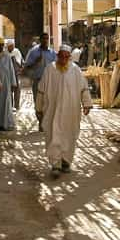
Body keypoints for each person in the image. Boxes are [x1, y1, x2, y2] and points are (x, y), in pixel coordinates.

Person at [35, 45, 92, 178]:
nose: (64, 59)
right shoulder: (50, 69)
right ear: (58, 56)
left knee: (69, 135)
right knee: (53, 134)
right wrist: (38, 108)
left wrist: (87, 103)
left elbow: (84, 88)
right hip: (52, 110)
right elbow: (41, 90)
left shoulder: (75, 70)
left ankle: (66, 161)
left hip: (71, 111)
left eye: (67, 57)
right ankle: (55, 164)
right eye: (62, 56)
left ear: (70, 57)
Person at [24, 33, 56, 131]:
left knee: (49, 102)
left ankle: (47, 122)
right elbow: (27, 67)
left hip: (50, 82)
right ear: (40, 40)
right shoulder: (33, 52)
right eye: (44, 38)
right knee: (38, 103)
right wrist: (35, 62)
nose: (46, 40)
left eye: (47, 38)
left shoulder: (52, 53)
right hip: (38, 80)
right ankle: (41, 122)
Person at [0, 38, 17, 130]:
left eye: (2, 45)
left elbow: (11, 70)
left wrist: (13, 83)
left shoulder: (7, 56)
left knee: (5, 102)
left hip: (5, 83)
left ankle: (5, 123)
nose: (1, 47)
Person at [7, 41, 23, 110]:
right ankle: (10, 106)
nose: (12, 47)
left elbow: (20, 61)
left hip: (16, 73)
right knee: (9, 90)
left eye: (13, 46)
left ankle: (17, 105)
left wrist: (20, 69)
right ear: (8, 46)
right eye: (11, 46)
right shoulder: (5, 53)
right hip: (8, 74)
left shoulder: (17, 51)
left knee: (17, 89)